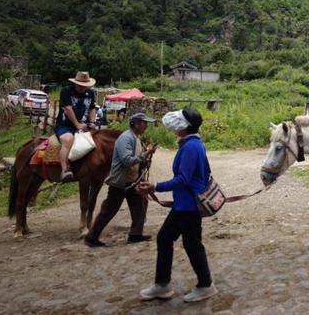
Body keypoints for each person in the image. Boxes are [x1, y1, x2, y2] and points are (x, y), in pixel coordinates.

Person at [137, 107, 217, 303]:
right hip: (183, 205)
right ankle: (162, 284)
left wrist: (155, 186)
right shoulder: (190, 144)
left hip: (189, 207)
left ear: (184, 126)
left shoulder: (190, 147)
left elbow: (183, 179)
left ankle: (205, 285)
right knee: (165, 239)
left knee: (192, 245)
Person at [84, 113, 157, 248]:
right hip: (121, 182)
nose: (146, 125)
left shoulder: (135, 138)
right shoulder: (126, 138)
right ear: (135, 124)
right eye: (144, 123)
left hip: (132, 180)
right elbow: (127, 160)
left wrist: (144, 159)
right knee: (109, 210)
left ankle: (135, 234)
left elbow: (135, 159)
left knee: (140, 204)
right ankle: (91, 237)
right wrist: (145, 155)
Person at [54, 71, 98, 181]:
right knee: (68, 139)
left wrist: (92, 122)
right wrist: (77, 125)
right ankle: (65, 170)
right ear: (75, 83)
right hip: (65, 125)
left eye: (84, 86)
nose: (82, 88)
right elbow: (68, 109)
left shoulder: (90, 93)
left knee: (98, 137)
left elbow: (92, 108)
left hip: (84, 124)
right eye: (80, 85)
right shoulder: (66, 91)